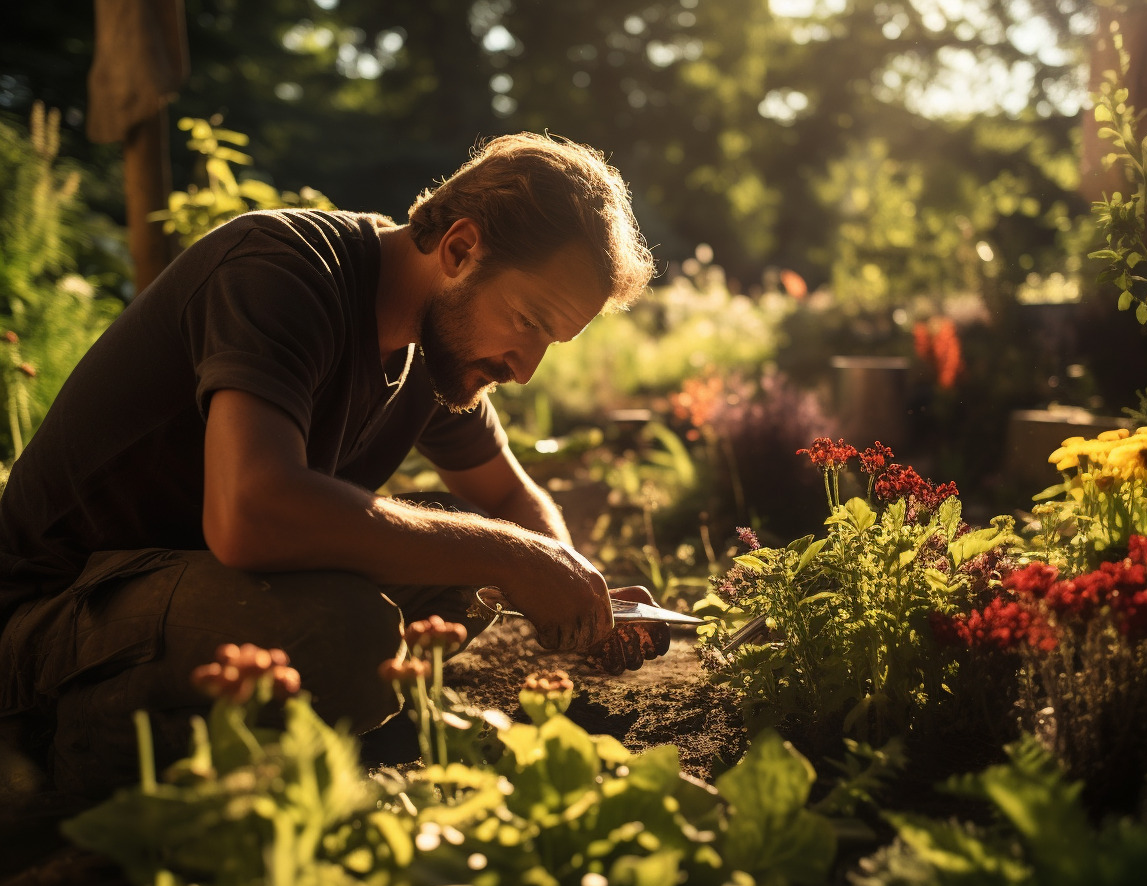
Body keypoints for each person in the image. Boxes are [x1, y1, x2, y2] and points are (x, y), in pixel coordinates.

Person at [0, 132, 658, 797]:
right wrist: (516, 559)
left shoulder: (434, 350)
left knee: (461, 562)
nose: (524, 368)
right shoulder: (282, 270)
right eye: (527, 321)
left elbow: (511, 501)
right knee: (350, 630)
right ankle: (83, 781)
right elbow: (249, 515)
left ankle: (288, 748)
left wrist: (578, 588)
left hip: (174, 591)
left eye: (550, 341)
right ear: (460, 249)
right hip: (49, 620)